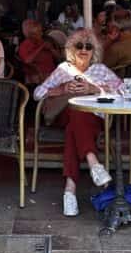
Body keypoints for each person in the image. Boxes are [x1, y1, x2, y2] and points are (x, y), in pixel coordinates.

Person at [33, 28, 120, 216]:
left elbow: (123, 92)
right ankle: (93, 163)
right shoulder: (64, 69)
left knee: (75, 125)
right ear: (71, 49)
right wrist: (62, 88)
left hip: (93, 118)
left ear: (93, 50)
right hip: (65, 115)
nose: (83, 50)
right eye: (79, 45)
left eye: (88, 46)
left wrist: (94, 88)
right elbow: (37, 93)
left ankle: (70, 191)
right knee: (75, 112)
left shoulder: (101, 70)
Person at [16, 19, 58, 86]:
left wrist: (51, 49)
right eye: (39, 32)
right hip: (38, 76)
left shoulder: (44, 41)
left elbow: (59, 58)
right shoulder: (25, 45)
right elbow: (27, 61)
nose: (42, 33)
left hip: (52, 73)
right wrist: (41, 47)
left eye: (41, 31)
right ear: (31, 35)